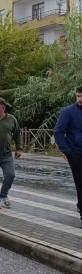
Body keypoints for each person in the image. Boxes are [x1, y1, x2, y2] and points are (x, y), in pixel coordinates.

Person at [54, 86, 82, 227]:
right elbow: (58, 132)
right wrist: (67, 151)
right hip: (75, 153)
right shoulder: (68, 112)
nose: (80, 99)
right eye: (78, 96)